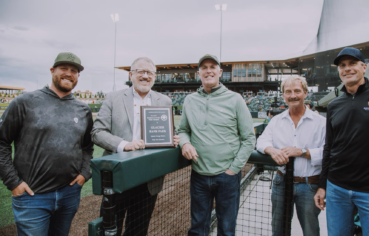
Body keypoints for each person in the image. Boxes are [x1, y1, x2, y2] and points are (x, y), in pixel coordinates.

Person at [0, 52, 93, 236]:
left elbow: (87, 147)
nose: (69, 73)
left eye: (73, 70)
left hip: (69, 193)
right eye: (63, 68)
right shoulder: (24, 102)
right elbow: (2, 142)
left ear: (78, 76)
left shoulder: (83, 109)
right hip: (32, 196)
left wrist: (84, 173)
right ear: (52, 70)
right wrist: (13, 182)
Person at [314, 47, 369, 236]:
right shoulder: (334, 105)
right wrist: (322, 185)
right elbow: (329, 147)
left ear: (364, 67)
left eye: (352, 63)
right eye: (342, 65)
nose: (347, 68)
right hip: (337, 189)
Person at [91, 57, 179, 236]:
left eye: (149, 73)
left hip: (149, 177)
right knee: (110, 229)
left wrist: (172, 139)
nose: (145, 76)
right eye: (141, 71)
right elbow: (97, 132)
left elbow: (169, 133)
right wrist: (124, 145)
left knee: (138, 230)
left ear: (154, 77)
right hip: (117, 175)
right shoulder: (113, 98)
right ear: (131, 75)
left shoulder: (164, 101)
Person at [177, 54, 255, 236]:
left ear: (220, 72)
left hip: (227, 176)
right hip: (199, 174)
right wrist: (185, 143)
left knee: (226, 229)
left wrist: (233, 169)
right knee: (197, 228)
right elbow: (182, 130)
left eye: (213, 67)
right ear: (199, 73)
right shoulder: (189, 100)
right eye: (204, 67)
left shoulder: (235, 99)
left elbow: (249, 138)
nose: (208, 70)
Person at [256, 76, 326, 236]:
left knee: (311, 231)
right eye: (288, 92)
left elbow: (328, 153)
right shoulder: (276, 121)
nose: (293, 95)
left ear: (305, 93)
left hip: (309, 184)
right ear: (283, 95)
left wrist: (302, 152)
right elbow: (261, 141)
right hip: (281, 182)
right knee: (278, 229)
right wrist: (271, 150)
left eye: (297, 91)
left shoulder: (321, 122)